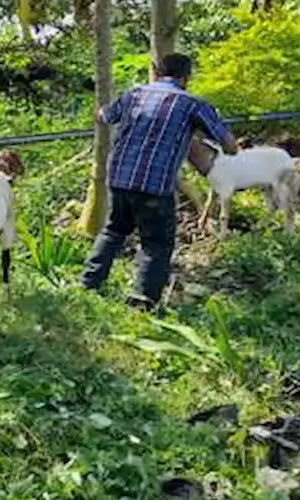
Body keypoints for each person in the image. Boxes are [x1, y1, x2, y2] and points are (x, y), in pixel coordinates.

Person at [80, 53, 237, 309]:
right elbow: (229, 146)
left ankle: (88, 284)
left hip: (119, 178)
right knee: (157, 243)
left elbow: (104, 116)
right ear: (186, 77)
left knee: (113, 230)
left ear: (156, 72)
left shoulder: (133, 94)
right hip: (154, 184)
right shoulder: (193, 105)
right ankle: (142, 300)